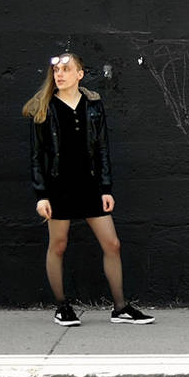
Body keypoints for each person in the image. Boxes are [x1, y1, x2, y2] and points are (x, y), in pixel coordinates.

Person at [22, 52, 154, 326]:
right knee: (58, 245)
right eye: (56, 71)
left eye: (66, 70)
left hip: (90, 185)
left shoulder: (93, 105)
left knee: (112, 244)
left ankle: (120, 307)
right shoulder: (44, 107)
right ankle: (62, 307)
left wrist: (106, 188)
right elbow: (36, 156)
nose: (59, 75)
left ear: (79, 75)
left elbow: (103, 148)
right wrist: (41, 195)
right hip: (58, 188)